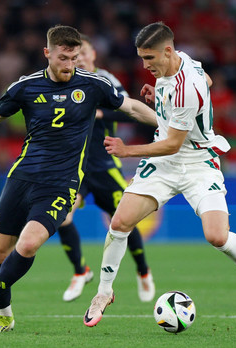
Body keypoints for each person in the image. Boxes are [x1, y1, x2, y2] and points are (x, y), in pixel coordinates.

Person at [0, 25, 157, 333]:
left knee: (27, 244)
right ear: (47, 53)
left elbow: (131, 107)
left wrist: (169, 126)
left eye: (74, 58)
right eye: (63, 58)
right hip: (22, 177)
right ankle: (4, 315)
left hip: (60, 185)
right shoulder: (26, 87)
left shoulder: (93, 85)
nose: (69, 65)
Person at [83, 22, 236, 327]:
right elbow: (207, 80)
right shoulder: (183, 63)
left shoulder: (187, 88)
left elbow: (173, 143)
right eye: (142, 59)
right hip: (163, 165)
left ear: (168, 51)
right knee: (120, 222)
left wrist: (127, 150)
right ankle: (104, 292)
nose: (145, 66)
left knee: (216, 236)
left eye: (150, 59)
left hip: (197, 162)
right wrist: (162, 95)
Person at [58, 34, 155, 303]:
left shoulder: (105, 80)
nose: (80, 60)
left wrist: (100, 112)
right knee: (62, 218)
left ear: (93, 56)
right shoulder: (66, 81)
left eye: (83, 54)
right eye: (76, 57)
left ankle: (143, 271)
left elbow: (127, 109)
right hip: (76, 167)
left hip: (104, 165)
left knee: (124, 221)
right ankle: (80, 271)